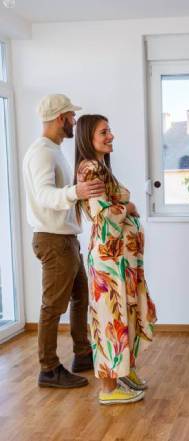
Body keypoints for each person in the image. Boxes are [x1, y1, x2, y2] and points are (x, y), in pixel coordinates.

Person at [23, 94, 105, 388]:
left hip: (65, 239)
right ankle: (48, 369)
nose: (74, 121)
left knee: (81, 297)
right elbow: (45, 195)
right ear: (61, 118)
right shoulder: (42, 153)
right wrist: (76, 192)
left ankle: (82, 355)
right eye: (71, 116)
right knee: (52, 306)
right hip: (53, 240)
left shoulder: (53, 149)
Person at [74, 114, 157, 405]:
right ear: (88, 137)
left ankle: (125, 371)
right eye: (103, 132)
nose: (111, 136)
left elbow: (110, 205)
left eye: (110, 130)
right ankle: (108, 389)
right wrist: (129, 205)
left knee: (126, 313)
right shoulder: (89, 168)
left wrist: (124, 205)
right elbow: (105, 215)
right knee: (109, 317)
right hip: (109, 260)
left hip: (119, 258)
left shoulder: (101, 168)